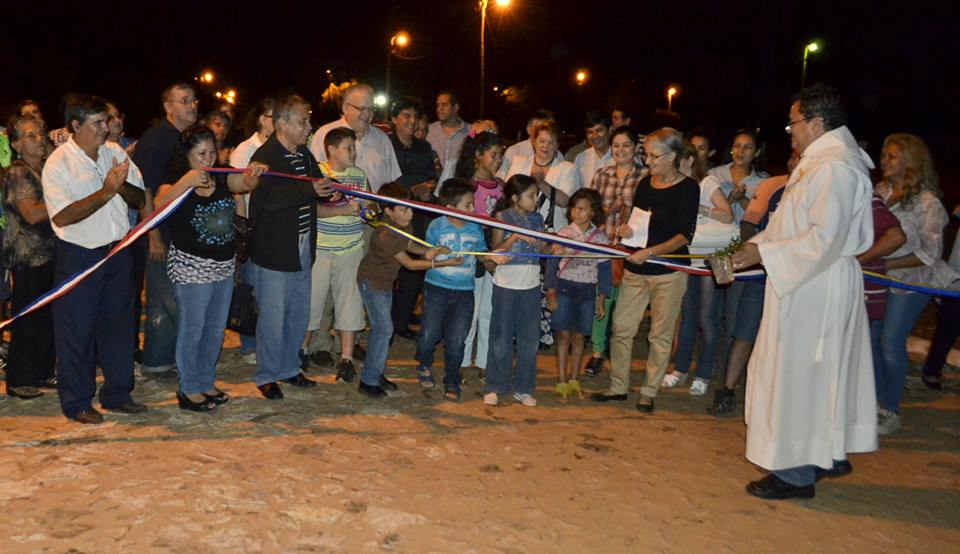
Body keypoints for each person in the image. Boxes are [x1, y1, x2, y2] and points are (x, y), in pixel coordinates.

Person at [730, 84, 878, 500]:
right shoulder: (820, 163)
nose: (789, 131)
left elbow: (824, 238)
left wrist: (764, 253)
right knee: (820, 374)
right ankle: (825, 453)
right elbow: (789, 225)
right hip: (808, 279)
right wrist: (752, 248)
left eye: (793, 123)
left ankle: (795, 473)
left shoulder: (835, 168)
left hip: (815, 284)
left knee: (801, 375)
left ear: (816, 122)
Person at [41, 94, 147, 424]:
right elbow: (62, 216)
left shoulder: (114, 152)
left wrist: (119, 186)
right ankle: (77, 402)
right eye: (98, 122)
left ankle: (117, 393)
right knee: (77, 331)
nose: (106, 127)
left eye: (106, 120)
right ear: (76, 125)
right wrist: (105, 191)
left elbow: (139, 198)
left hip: (117, 252)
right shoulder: (59, 163)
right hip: (80, 255)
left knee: (120, 326)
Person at [153, 126, 266, 411]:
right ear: (186, 155)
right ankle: (188, 387)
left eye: (212, 152)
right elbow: (158, 204)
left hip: (223, 267)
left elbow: (243, 184)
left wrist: (253, 174)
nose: (208, 159)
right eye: (201, 153)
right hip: (191, 267)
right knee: (193, 328)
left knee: (215, 329)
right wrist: (187, 181)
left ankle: (205, 381)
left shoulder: (221, 174)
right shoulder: (175, 179)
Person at [590, 127, 699, 413]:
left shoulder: (689, 188)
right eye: (646, 155)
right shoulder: (645, 185)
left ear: (672, 156)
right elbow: (639, 222)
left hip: (669, 271)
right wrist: (628, 231)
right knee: (621, 328)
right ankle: (618, 386)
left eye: (653, 156)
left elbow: (684, 236)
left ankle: (649, 391)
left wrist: (650, 251)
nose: (647, 162)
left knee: (659, 335)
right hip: (636, 268)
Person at [247, 95, 334, 399]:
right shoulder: (265, 155)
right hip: (276, 249)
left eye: (308, 120)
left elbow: (315, 186)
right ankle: (267, 374)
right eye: (303, 121)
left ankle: (288, 367)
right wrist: (309, 189)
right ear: (281, 123)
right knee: (273, 316)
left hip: (302, 244)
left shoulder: (304, 154)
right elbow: (267, 199)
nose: (309, 127)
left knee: (298, 311)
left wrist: (329, 190)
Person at [873, 133, 954, 435]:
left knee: (891, 340)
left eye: (892, 156)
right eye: (884, 154)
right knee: (870, 339)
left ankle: (889, 408)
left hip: (910, 283)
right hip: (877, 278)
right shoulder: (880, 191)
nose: (884, 160)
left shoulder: (927, 203)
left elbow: (929, 254)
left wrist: (884, 264)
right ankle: (874, 399)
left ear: (911, 161)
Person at [707, 151, 798, 416]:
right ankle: (727, 390)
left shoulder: (819, 191)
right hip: (761, 272)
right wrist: (736, 253)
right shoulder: (774, 188)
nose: (795, 162)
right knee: (744, 331)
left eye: (802, 157)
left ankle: (781, 398)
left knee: (784, 340)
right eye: (792, 157)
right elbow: (751, 226)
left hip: (795, 277)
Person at [356, 182, 458, 398]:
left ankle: (375, 372)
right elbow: (410, 264)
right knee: (384, 330)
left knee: (383, 330)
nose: (410, 214)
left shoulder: (402, 226)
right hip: (372, 282)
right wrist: (442, 263)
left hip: (385, 283)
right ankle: (368, 380)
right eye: (404, 209)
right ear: (388, 211)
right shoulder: (386, 234)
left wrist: (429, 251)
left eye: (410, 208)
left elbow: (410, 246)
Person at [133, 82, 199, 380]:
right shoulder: (158, 138)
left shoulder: (181, 137)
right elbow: (145, 189)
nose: (192, 105)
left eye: (194, 100)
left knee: (168, 297)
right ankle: (157, 362)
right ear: (168, 107)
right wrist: (153, 234)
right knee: (165, 298)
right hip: (160, 230)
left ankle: (164, 359)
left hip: (177, 230)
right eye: (184, 101)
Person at [415, 179, 503, 400]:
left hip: (465, 291)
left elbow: (480, 254)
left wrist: (493, 257)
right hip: (437, 288)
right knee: (429, 334)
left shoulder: (475, 228)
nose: (474, 208)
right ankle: (424, 363)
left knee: (457, 339)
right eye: (468, 204)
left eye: (473, 203)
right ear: (450, 207)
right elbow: (425, 252)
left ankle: (452, 379)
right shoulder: (437, 226)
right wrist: (430, 253)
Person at [664, 143, 736, 396]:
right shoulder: (678, 188)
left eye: (678, 160)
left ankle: (704, 373)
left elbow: (728, 216)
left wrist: (701, 209)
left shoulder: (707, 183)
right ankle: (680, 368)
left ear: (690, 160)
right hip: (690, 257)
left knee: (709, 318)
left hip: (713, 257)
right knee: (687, 316)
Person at [303, 127, 371, 384]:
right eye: (348, 148)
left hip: (350, 248)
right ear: (331, 149)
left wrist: (368, 211)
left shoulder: (359, 175)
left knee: (350, 303)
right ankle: (302, 350)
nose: (353, 153)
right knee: (313, 302)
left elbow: (369, 205)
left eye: (354, 148)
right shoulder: (319, 173)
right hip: (321, 248)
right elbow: (313, 210)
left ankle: (346, 359)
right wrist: (344, 210)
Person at [583, 126, 648, 376]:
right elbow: (589, 210)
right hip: (604, 246)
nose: (620, 150)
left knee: (625, 307)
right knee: (602, 300)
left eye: (626, 145)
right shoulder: (602, 174)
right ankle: (597, 352)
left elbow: (650, 214)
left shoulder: (646, 176)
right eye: (616, 145)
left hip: (632, 249)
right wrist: (606, 212)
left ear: (636, 148)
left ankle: (619, 353)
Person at [484, 175, 551, 407]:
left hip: (531, 286)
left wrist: (554, 246)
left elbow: (542, 249)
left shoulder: (538, 218)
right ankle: (495, 385)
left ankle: (524, 388)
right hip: (506, 286)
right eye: (531, 195)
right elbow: (496, 251)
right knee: (501, 339)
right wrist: (514, 236)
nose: (535, 200)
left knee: (529, 340)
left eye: (536, 195)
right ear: (515, 198)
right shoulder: (502, 217)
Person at [3, 115, 57, 399]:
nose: (39, 140)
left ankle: (42, 371)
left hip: (50, 254)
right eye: (30, 136)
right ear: (16, 144)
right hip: (28, 257)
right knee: (27, 320)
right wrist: (64, 200)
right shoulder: (18, 173)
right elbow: (32, 213)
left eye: (41, 133)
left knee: (47, 318)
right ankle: (19, 378)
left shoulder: (46, 168)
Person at [545, 188, 612, 402]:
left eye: (582, 208)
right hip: (565, 289)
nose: (576, 212)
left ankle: (574, 380)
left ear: (593, 212)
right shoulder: (564, 234)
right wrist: (551, 292)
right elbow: (552, 264)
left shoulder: (600, 238)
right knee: (563, 335)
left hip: (588, 292)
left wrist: (602, 298)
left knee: (580, 337)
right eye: (574, 207)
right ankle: (561, 381)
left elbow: (605, 269)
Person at [387, 97, 441, 340]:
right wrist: (411, 190)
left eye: (415, 117)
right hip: (390, 216)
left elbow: (431, 176)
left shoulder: (424, 147)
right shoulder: (386, 144)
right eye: (406, 116)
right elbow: (386, 181)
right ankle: (384, 322)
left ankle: (400, 322)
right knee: (389, 269)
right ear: (394, 119)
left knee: (413, 273)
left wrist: (428, 187)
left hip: (417, 215)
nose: (411, 121)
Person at [229, 97, 277, 364]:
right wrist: (243, 228)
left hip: (273, 226)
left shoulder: (279, 148)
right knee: (250, 287)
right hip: (252, 225)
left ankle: (267, 341)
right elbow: (236, 189)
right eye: (274, 116)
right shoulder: (245, 149)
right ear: (262, 119)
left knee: (268, 289)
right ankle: (249, 344)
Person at [456, 131, 505, 375]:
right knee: (471, 310)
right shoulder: (467, 186)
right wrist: (482, 255)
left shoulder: (502, 187)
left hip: (496, 249)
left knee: (490, 310)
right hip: (473, 251)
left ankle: (485, 362)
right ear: (478, 155)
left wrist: (495, 253)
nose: (498, 160)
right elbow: (462, 223)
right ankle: (462, 362)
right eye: (493, 154)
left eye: (500, 155)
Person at [310, 83, 401, 192]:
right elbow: (313, 178)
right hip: (336, 202)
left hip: (376, 202)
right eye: (362, 108)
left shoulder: (382, 139)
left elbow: (392, 182)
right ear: (345, 108)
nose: (367, 114)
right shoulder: (324, 135)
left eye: (371, 109)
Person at [922, 206, 960, 389]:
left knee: (947, 330)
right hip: (955, 281)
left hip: (953, 279)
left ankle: (932, 370)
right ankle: (932, 370)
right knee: (947, 330)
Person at [499, 109, 558, 176]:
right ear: (529, 130)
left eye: (549, 129)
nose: (544, 133)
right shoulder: (514, 152)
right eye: (539, 128)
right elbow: (501, 178)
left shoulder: (557, 155)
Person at [426, 90, 470, 170]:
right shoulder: (429, 130)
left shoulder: (469, 131)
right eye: (438, 105)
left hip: (459, 178)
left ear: (455, 107)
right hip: (433, 178)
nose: (439, 109)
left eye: (444, 104)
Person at [572, 111, 613, 191]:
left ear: (610, 130)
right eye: (590, 132)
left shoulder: (621, 156)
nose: (594, 136)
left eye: (599, 130)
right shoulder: (581, 159)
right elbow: (577, 191)